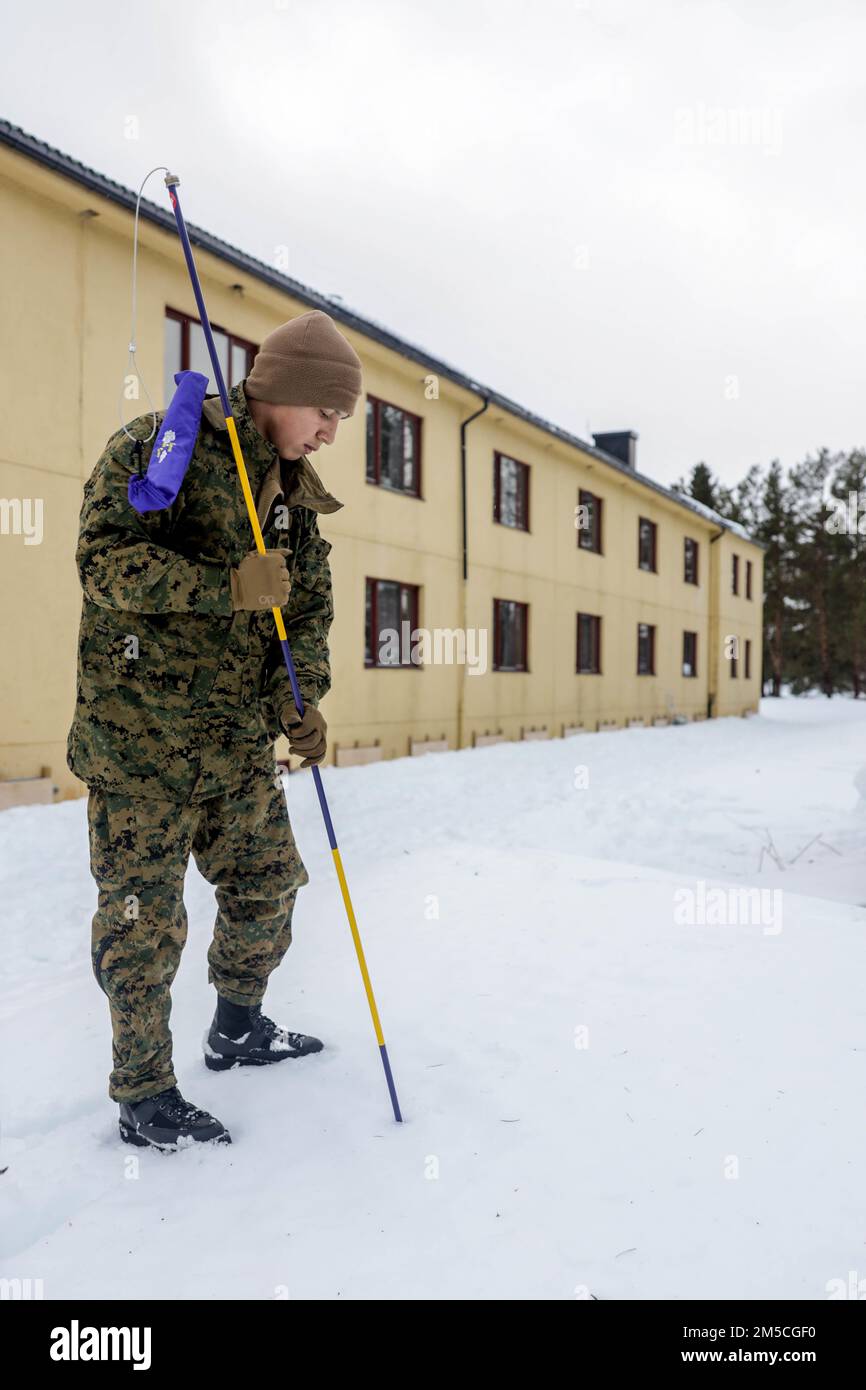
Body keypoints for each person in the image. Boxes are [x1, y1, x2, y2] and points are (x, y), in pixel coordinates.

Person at [67, 309, 363, 1150]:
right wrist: (224, 582)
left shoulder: (295, 502)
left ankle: (238, 1026)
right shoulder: (160, 447)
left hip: (234, 742)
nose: (332, 433)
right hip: (141, 744)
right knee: (142, 923)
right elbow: (103, 562)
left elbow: (304, 613)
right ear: (285, 391)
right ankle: (145, 1093)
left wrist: (301, 700)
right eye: (326, 413)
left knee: (269, 884)